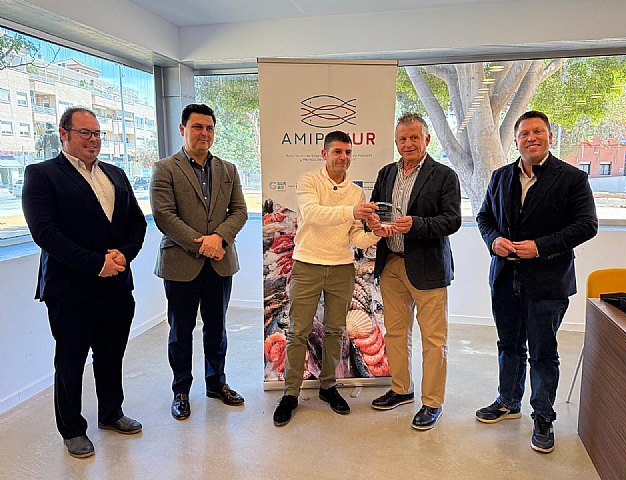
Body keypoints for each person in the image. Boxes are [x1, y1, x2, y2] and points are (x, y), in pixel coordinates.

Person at [22, 107, 147, 458]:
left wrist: (123, 255)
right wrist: (96, 264)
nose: (93, 140)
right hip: (71, 289)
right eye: (85, 133)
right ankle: (73, 429)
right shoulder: (42, 175)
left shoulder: (116, 174)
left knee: (111, 354)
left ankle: (111, 413)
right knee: (71, 361)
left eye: (97, 133)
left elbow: (137, 223)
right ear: (64, 134)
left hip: (117, 285)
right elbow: (46, 233)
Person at [476, 110, 598, 453]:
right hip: (505, 277)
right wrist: (493, 240)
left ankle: (543, 416)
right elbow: (484, 217)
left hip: (548, 280)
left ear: (549, 136)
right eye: (524, 133)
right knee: (509, 345)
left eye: (538, 132)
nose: (531, 138)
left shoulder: (572, 178)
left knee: (543, 352)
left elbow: (587, 225)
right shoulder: (501, 176)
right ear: (516, 140)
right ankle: (508, 400)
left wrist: (540, 247)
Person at [272, 130, 390, 426]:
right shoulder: (309, 181)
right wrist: (352, 210)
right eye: (337, 151)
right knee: (298, 331)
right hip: (308, 265)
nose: (343, 157)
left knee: (336, 331)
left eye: (348, 152)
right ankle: (290, 394)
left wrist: (376, 233)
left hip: (341, 268)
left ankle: (328, 386)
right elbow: (313, 214)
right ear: (324, 154)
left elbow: (356, 237)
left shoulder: (356, 192)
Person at [150, 103, 248, 421]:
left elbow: (239, 211)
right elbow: (164, 216)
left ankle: (216, 383)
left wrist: (218, 239)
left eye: (209, 128)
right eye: (197, 127)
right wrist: (203, 244)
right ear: (183, 129)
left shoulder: (228, 170)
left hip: (220, 262)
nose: (204, 133)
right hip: (181, 263)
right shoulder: (165, 169)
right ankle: (181, 390)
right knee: (181, 331)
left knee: (217, 328)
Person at [369, 113, 461, 431]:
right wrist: (372, 221)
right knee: (395, 333)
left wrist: (417, 224)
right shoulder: (386, 173)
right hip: (392, 263)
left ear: (426, 140)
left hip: (428, 268)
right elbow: (375, 209)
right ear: (396, 142)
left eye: (414, 137)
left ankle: (432, 403)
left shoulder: (444, 175)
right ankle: (401, 389)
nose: (408, 143)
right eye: (402, 139)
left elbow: (453, 220)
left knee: (433, 339)